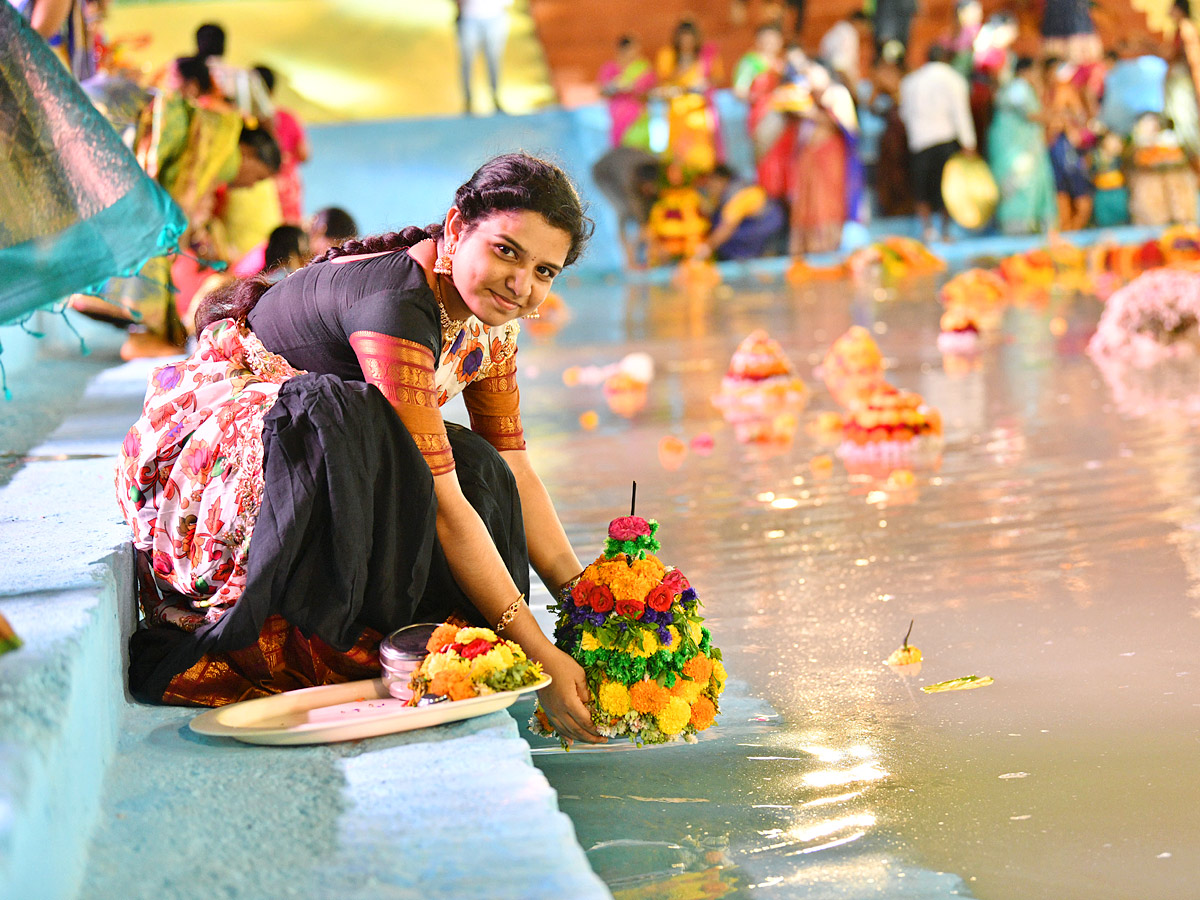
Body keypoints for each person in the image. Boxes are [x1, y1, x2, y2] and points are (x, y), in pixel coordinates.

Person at [115, 152, 606, 745]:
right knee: (360, 425)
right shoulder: (396, 301)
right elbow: (445, 509)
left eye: (545, 271)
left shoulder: (492, 324)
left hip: (320, 463)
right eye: (506, 251)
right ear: (456, 230)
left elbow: (517, 470)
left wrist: (591, 608)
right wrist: (540, 656)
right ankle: (329, 641)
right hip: (222, 473)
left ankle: (421, 638)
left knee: (480, 467)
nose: (521, 284)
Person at [898, 44, 977, 242]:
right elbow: (961, 112)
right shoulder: (953, 79)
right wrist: (969, 142)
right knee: (948, 188)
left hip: (920, 141)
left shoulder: (911, 81)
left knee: (922, 188)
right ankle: (946, 232)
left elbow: (904, 114)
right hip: (945, 140)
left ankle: (927, 230)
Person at [988, 57, 1057, 235]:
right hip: (1015, 150)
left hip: (1024, 149)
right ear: (1026, 71)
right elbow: (1030, 114)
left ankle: (1032, 226)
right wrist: (1057, 118)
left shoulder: (1019, 88)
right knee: (1019, 185)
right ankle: (1017, 228)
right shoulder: (1019, 87)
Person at [656, 18, 724, 174]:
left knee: (702, 152)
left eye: (690, 39)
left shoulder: (706, 55)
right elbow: (663, 81)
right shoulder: (668, 55)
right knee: (678, 153)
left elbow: (717, 78)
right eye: (683, 39)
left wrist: (703, 82)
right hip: (677, 111)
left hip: (699, 110)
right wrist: (683, 65)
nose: (686, 42)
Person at [254, 64, 309, 225]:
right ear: (272, 90)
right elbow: (304, 155)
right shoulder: (287, 118)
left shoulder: (245, 120)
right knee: (287, 234)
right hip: (287, 186)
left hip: (259, 186)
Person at [1043, 56, 1094, 231]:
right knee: (1061, 191)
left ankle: (1073, 228)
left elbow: (1078, 117)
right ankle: (1068, 228)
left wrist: (1063, 123)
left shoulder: (1064, 90)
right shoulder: (1050, 91)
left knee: (1075, 189)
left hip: (1065, 146)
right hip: (1057, 146)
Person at [695, 164, 786, 260]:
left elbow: (726, 228)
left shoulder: (736, 195)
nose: (709, 189)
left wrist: (706, 248)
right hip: (769, 227)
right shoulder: (733, 189)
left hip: (769, 230)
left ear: (721, 180)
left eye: (711, 184)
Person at [590, 146, 660, 267]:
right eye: (646, 188)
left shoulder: (658, 167)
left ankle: (637, 253)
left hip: (624, 162)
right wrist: (632, 249)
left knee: (645, 214)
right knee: (624, 210)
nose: (649, 190)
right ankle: (628, 258)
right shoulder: (629, 181)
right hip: (604, 174)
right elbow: (638, 213)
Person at [597, 35, 656, 150]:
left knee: (638, 150)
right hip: (617, 116)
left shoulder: (642, 68)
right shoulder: (611, 68)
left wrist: (633, 88)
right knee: (621, 150)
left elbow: (649, 91)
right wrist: (614, 86)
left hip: (638, 116)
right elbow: (602, 91)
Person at [455, 0, 512, 114]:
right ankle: (468, 101)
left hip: (494, 16)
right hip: (469, 17)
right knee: (467, 62)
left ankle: (495, 98)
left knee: (493, 60)